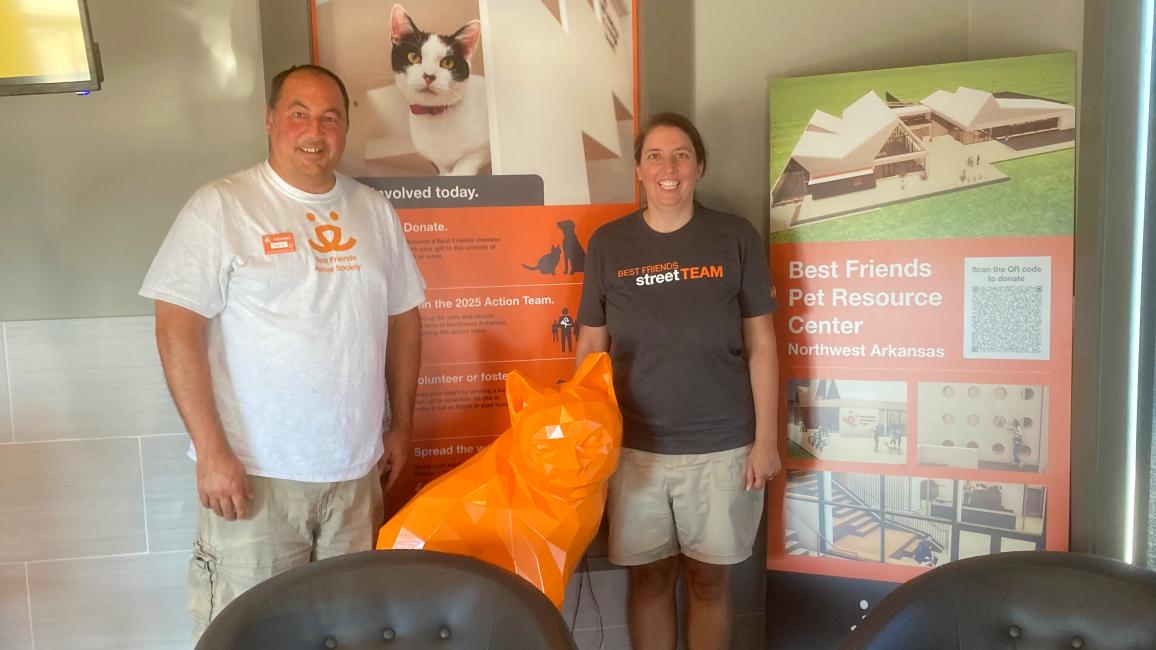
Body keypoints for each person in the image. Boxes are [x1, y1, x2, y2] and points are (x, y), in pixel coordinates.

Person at [139, 64, 426, 639]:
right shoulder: (224, 206)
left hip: (355, 477)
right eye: (299, 114)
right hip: (255, 478)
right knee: (248, 635)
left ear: (345, 128)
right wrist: (211, 451)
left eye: (330, 118)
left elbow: (405, 320)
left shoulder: (374, 211)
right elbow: (176, 329)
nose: (314, 131)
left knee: (349, 633)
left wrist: (401, 426)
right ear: (270, 120)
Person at [575, 112, 781, 650]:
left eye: (681, 155)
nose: (669, 168)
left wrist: (766, 441)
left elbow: (762, 344)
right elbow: (592, 348)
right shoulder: (608, 244)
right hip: (633, 451)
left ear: (699, 167)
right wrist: (587, 441)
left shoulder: (735, 236)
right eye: (655, 156)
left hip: (723, 448)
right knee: (649, 581)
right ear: (639, 170)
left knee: (710, 583)